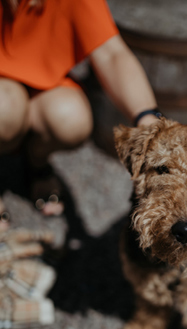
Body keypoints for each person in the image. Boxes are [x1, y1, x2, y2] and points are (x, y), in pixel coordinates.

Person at [0, 0, 161, 216]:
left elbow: (111, 53)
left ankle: (35, 162)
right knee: (5, 106)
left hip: (41, 80)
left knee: (71, 118)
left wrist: (148, 118)